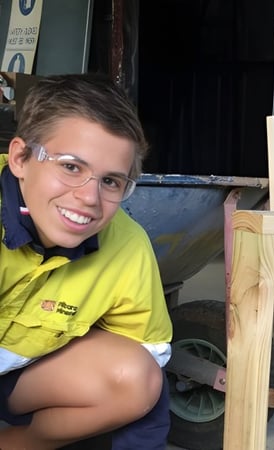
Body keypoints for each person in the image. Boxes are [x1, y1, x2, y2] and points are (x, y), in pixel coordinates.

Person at [0, 74, 172, 449]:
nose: (90, 198)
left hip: (19, 374)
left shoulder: (127, 247)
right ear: (20, 158)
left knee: (137, 377)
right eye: (71, 167)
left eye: (110, 181)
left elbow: (145, 383)